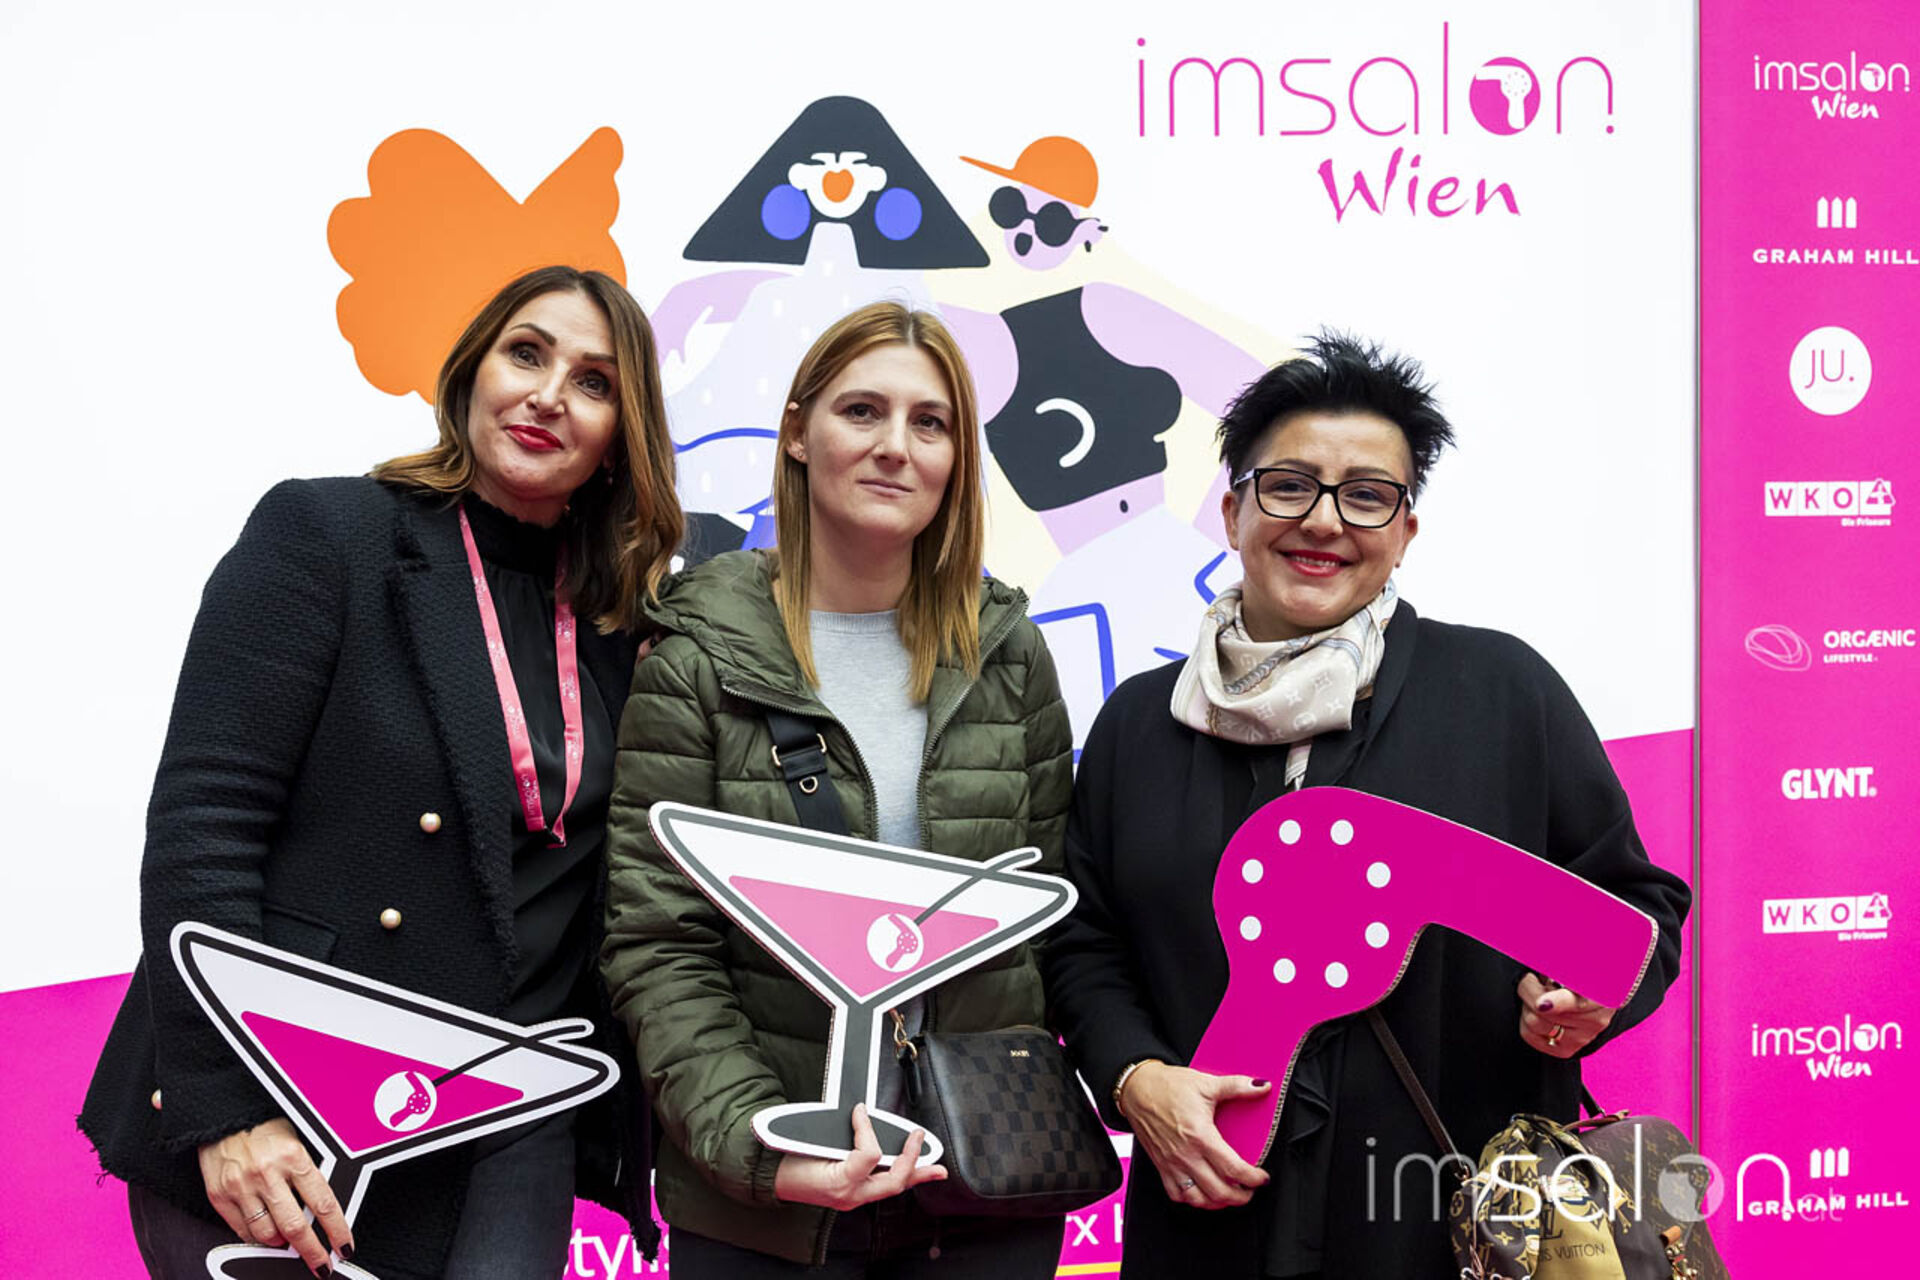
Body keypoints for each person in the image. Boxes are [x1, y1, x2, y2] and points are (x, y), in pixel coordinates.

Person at [1041, 333, 1692, 1279]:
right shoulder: (1142, 725)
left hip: (1460, 1224)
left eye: (1367, 495)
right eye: (1289, 487)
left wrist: (1594, 994)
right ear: (1232, 510)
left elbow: (1640, 907)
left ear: (1405, 530)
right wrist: (1136, 1078)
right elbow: (1084, 945)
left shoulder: (1502, 692)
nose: (1324, 521)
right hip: (1209, 1220)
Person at [79, 266, 682, 1279]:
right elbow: (204, 826)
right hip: (291, 1097)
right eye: (526, 354)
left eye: (593, 382)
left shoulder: (628, 626)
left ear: (623, 436)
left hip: (509, 1113)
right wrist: (227, 1106)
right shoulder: (330, 536)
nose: (548, 395)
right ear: (472, 372)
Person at [601, 300, 1073, 1276]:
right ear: (797, 433)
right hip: (765, 1211)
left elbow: (1049, 927)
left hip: (978, 1193)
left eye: (930, 423)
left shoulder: (1009, 655)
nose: (896, 446)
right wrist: (762, 1143)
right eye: (862, 411)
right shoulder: (695, 658)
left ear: (957, 460)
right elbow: (658, 942)